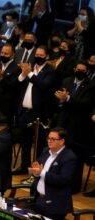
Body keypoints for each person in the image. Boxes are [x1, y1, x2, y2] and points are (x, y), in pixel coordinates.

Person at [13, 46, 56, 175]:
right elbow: (18, 84)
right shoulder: (29, 68)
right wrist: (23, 74)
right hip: (24, 112)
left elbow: (43, 85)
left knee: (39, 144)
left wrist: (30, 73)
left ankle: (37, 169)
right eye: (36, 54)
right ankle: (24, 167)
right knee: (25, 142)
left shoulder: (50, 71)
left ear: (47, 56)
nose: (38, 57)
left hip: (39, 114)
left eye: (41, 55)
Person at [55, 61, 95, 193]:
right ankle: (60, 180)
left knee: (76, 158)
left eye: (82, 70)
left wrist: (67, 99)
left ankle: (74, 186)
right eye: (78, 69)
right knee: (61, 155)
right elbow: (59, 97)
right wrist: (61, 100)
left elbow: (85, 104)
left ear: (87, 72)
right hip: (64, 123)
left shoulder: (91, 85)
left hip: (79, 127)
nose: (79, 72)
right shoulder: (67, 81)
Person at [28, 127, 77, 220]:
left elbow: (63, 180)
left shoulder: (69, 157)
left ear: (62, 141)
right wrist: (36, 171)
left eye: (53, 139)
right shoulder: (46, 151)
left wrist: (41, 172)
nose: (49, 141)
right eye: (48, 138)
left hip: (55, 204)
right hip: (39, 199)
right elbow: (39, 169)